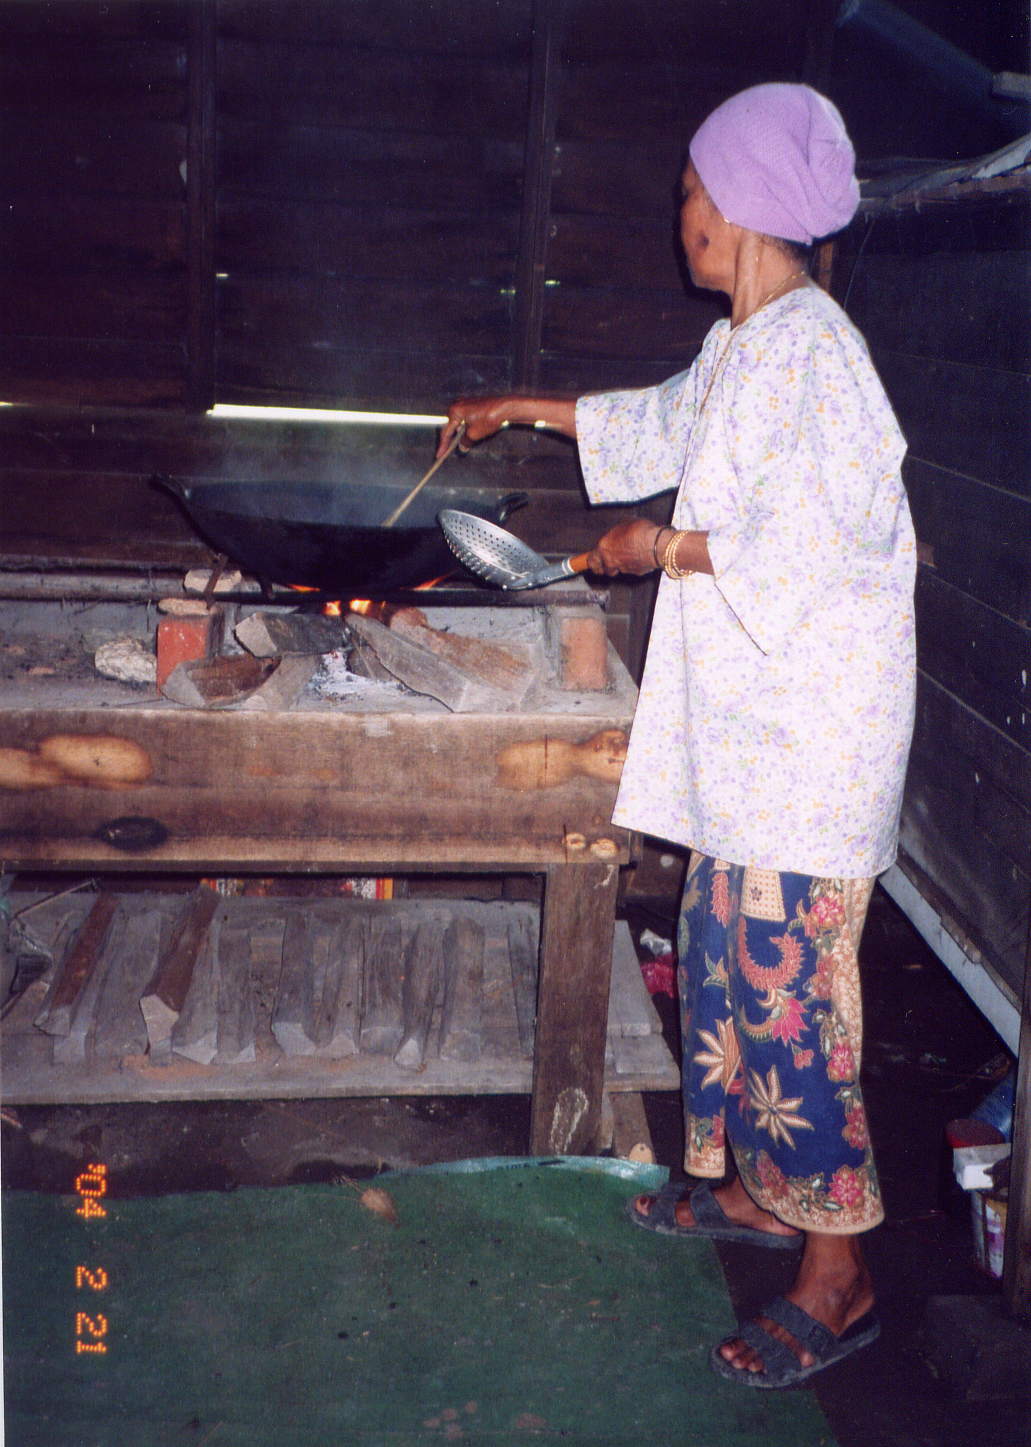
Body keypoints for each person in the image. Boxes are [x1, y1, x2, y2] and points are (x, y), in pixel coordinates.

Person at [437, 83, 916, 1389]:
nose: (682, 213)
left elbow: (815, 545)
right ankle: (764, 1195)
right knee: (719, 952)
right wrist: (516, 406)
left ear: (752, 202)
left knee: (790, 995)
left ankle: (842, 1270)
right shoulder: (745, 347)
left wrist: (664, 545)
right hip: (755, 748)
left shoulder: (817, 354)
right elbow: (651, 419)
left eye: (696, 191)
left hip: (811, 750)